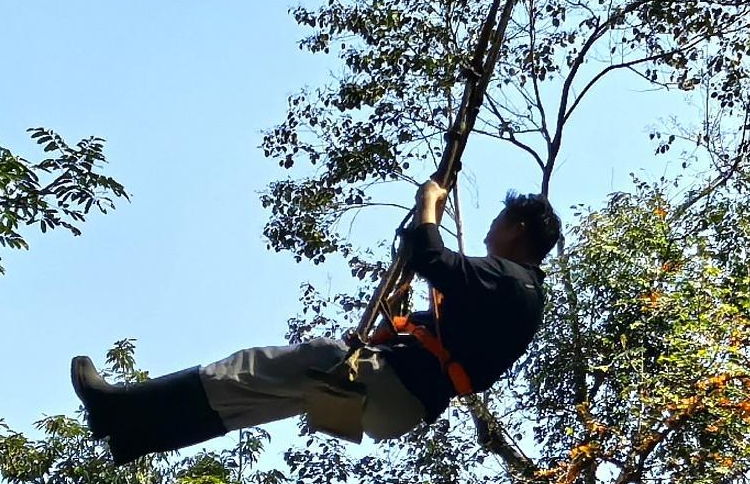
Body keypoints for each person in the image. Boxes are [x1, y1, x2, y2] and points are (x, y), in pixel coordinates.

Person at [71, 180, 562, 463]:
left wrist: (431, 203)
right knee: (255, 401)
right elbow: (438, 327)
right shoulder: (519, 293)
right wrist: (394, 322)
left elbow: (431, 254)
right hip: (403, 403)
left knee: (253, 368)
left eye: (501, 220)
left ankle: (119, 406)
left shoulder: (510, 279)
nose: (491, 228)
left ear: (518, 229)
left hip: (397, 388)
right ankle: (139, 435)